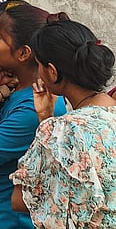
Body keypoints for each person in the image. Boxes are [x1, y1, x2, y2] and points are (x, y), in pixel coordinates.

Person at [0, 1, 67, 229]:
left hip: (14, 221)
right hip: (0, 214)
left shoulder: (34, 108)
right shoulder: (16, 90)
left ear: (23, 53)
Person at [11, 20, 116, 227]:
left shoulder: (61, 129)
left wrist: (47, 122)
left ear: (52, 71)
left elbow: (21, 199)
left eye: (39, 65)